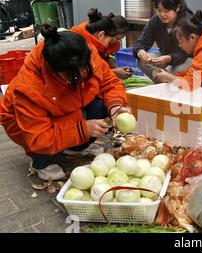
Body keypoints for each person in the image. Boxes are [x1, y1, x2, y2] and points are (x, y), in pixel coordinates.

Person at [0, 23, 129, 181]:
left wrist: (115, 106)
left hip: (68, 105)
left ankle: (75, 147)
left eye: (85, 69)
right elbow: (39, 138)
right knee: (57, 135)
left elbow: (110, 83)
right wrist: (83, 129)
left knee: (101, 105)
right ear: (55, 71)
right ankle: (41, 162)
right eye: (73, 75)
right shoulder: (29, 87)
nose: (83, 75)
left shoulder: (85, 53)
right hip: (25, 126)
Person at [133, 0, 192, 83]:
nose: (163, 15)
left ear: (177, 8)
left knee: (173, 70)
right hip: (165, 58)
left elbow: (186, 53)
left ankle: (166, 79)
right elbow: (141, 42)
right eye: (159, 10)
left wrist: (169, 58)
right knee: (141, 61)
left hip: (185, 60)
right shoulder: (155, 21)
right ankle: (165, 81)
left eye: (167, 10)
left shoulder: (186, 22)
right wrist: (140, 51)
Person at [72, 9, 132, 79]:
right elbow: (89, 74)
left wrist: (117, 69)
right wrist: (114, 72)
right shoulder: (81, 46)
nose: (116, 42)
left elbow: (102, 61)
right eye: (113, 39)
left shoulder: (95, 41)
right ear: (101, 34)